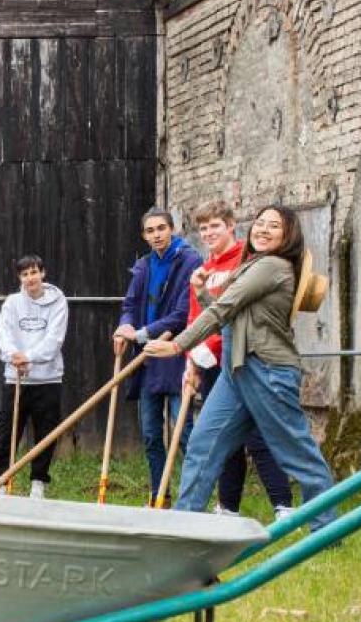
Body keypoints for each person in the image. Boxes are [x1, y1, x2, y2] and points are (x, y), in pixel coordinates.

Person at [145, 205, 338, 528]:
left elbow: (225, 308)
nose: (262, 229)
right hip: (236, 371)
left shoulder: (273, 266)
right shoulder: (254, 265)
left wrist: (179, 344)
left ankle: (327, 530)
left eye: (273, 226)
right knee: (203, 445)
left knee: (297, 455)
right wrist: (202, 292)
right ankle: (181, 525)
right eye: (259, 223)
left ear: (287, 235)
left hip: (269, 371)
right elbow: (231, 316)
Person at [182, 201, 294, 519]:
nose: (209, 233)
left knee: (259, 434)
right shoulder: (206, 269)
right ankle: (227, 506)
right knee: (219, 437)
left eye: (215, 226)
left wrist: (198, 347)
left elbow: (231, 312)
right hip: (211, 362)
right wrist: (192, 359)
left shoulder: (246, 260)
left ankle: (283, 504)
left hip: (245, 358)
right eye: (203, 228)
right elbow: (199, 315)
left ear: (232, 226)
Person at [116, 208, 201, 499]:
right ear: (144, 235)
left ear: (172, 229)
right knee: (151, 434)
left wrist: (140, 334)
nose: (156, 235)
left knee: (184, 430)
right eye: (150, 231)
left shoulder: (190, 260)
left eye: (161, 228)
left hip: (176, 354)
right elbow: (130, 305)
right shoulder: (143, 266)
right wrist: (124, 328)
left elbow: (183, 313)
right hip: (148, 359)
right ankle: (158, 494)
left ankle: (193, 497)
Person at [0, 255, 69, 499]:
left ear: (42, 273)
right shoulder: (12, 303)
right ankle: (1, 481)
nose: (30, 278)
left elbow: (54, 339)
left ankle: (38, 482)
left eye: (34, 272)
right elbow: (4, 334)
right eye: (24, 274)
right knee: (6, 432)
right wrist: (14, 356)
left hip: (48, 378)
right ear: (19, 278)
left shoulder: (58, 301)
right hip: (16, 378)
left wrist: (30, 357)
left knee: (45, 432)